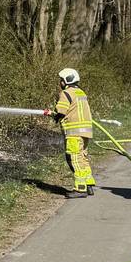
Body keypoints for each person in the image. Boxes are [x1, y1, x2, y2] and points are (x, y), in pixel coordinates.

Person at [46, 68, 95, 197]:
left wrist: (54, 115)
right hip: (85, 132)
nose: (60, 83)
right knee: (83, 157)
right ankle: (88, 184)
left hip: (74, 132)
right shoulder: (81, 93)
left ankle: (80, 189)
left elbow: (61, 111)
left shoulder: (66, 93)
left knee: (75, 159)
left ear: (66, 80)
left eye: (61, 80)